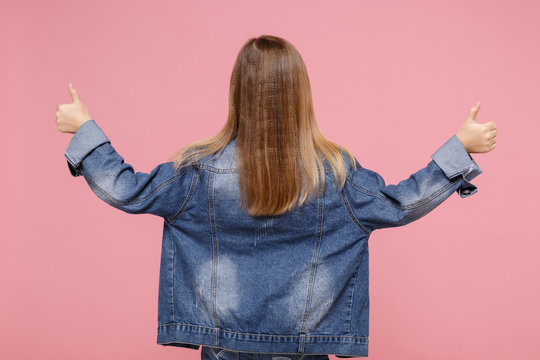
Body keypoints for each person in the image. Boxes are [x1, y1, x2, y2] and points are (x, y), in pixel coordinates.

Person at [56, 35, 497, 360]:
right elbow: (401, 203)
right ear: (301, 95)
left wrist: (85, 131)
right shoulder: (338, 172)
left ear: (238, 93)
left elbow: (125, 190)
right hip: (304, 350)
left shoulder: (196, 170)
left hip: (223, 348)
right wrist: (459, 147)